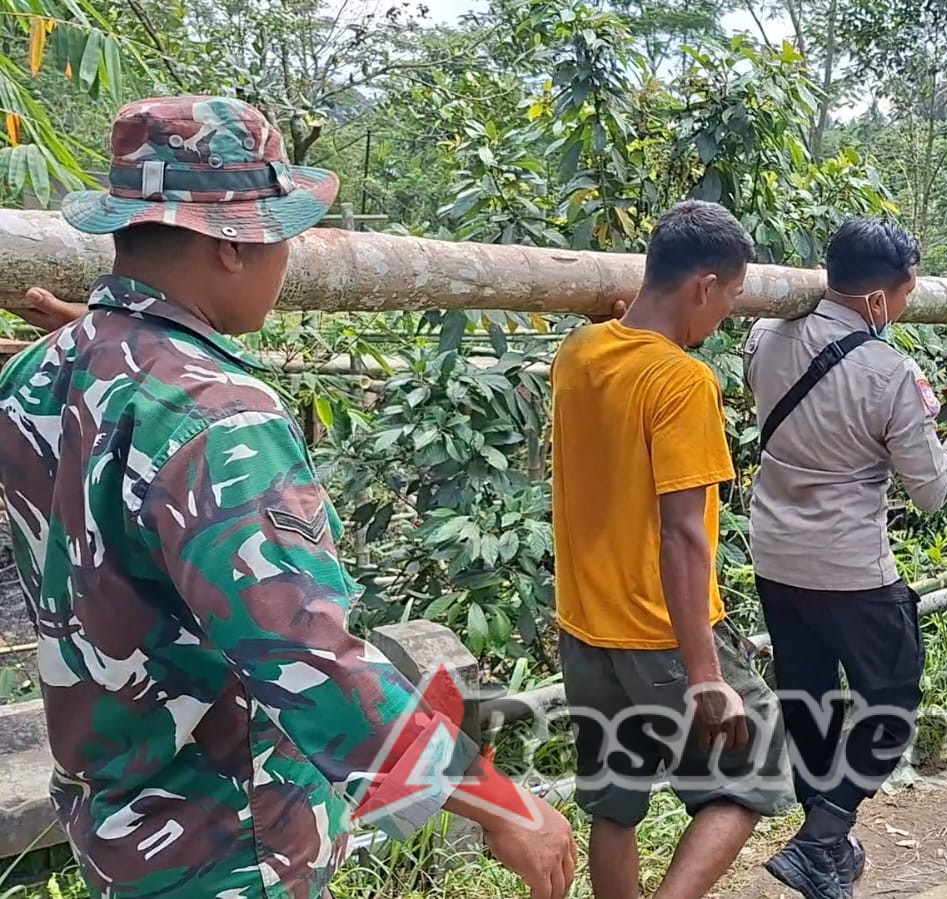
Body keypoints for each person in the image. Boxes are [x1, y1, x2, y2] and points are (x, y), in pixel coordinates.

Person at [0, 96, 576, 899]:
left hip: (114, 826)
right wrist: (500, 803)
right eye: (283, 233)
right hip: (229, 842)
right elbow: (307, 656)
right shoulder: (218, 412)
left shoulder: (38, 372)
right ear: (234, 242)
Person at [743, 217, 947, 899]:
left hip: (775, 552)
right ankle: (821, 838)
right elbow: (929, 489)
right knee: (892, 694)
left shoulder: (763, 335)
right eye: (910, 286)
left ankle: (823, 850)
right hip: (850, 567)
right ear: (881, 298)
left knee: (807, 695)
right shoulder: (889, 371)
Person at [551, 199, 793, 899]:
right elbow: (684, 533)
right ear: (702, 286)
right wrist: (706, 672)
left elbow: (615, 326)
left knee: (615, 802)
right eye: (731, 297)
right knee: (757, 764)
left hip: (584, 628)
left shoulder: (579, 351)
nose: (724, 316)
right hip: (659, 631)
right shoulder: (683, 381)